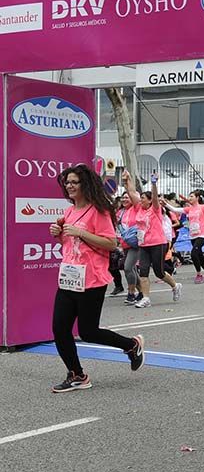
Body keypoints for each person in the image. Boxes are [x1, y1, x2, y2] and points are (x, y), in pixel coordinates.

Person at [49, 164, 145, 392]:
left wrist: (81, 232)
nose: (69, 186)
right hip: (69, 277)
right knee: (59, 329)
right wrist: (58, 234)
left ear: (85, 185)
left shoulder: (98, 211)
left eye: (74, 182)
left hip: (91, 278)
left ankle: (131, 345)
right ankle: (77, 375)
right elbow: (70, 243)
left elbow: (111, 243)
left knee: (88, 331)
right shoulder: (69, 211)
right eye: (67, 182)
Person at [122, 170, 181, 308]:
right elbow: (131, 192)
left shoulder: (155, 209)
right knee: (143, 271)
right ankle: (146, 298)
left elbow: (154, 197)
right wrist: (127, 180)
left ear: (149, 200)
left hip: (158, 243)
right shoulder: (139, 208)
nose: (140, 199)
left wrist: (154, 184)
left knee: (159, 272)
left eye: (143, 198)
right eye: (140, 197)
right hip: (143, 245)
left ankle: (175, 285)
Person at [181, 191, 204, 284]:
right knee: (199, 255)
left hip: (202, 234)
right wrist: (165, 204)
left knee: (193, 253)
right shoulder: (188, 209)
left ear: (197, 198)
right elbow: (175, 209)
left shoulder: (202, 207)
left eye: (192, 196)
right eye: (189, 196)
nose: (190, 198)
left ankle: (199, 274)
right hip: (193, 234)